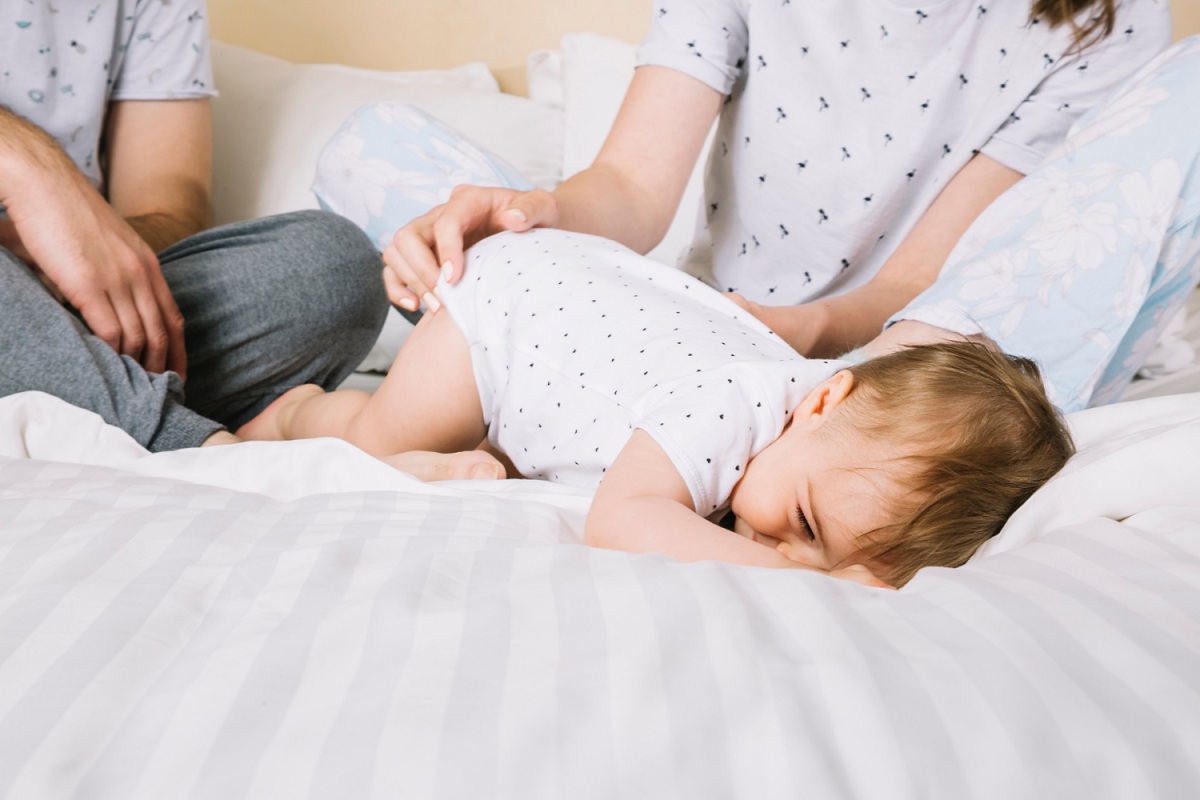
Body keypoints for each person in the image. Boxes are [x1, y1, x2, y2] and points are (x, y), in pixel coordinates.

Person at [378, 0, 1171, 411]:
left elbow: (915, 288)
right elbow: (631, 187)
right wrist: (530, 213)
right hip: (704, 324)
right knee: (371, 145)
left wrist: (805, 333)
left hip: (909, 352)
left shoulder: (1112, 19)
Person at [238, 229, 1074, 588]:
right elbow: (622, 517)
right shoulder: (734, 408)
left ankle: (474, 453)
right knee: (375, 439)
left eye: (830, 560)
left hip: (589, 328)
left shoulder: (817, 448)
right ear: (822, 399)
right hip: (507, 318)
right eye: (807, 525)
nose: (785, 549)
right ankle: (296, 413)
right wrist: (801, 581)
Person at [0, 1, 388, 451]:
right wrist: (26, 161)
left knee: (331, 266)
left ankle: (79, 400)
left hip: (70, 307)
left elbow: (167, 215)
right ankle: (199, 448)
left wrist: (71, 258)